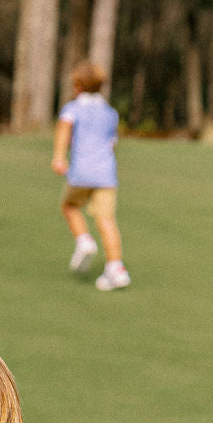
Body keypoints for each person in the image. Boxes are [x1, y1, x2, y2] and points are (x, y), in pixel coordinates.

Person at [51, 61, 130, 290]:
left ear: (77, 85)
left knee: (69, 206)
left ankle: (84, 240)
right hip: (106, 174)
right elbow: (112, 143)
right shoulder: (110, 113)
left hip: (81, 172)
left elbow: (63, 132)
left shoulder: (72, 109)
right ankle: (116, 268)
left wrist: (58, 157)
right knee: (106, 220)